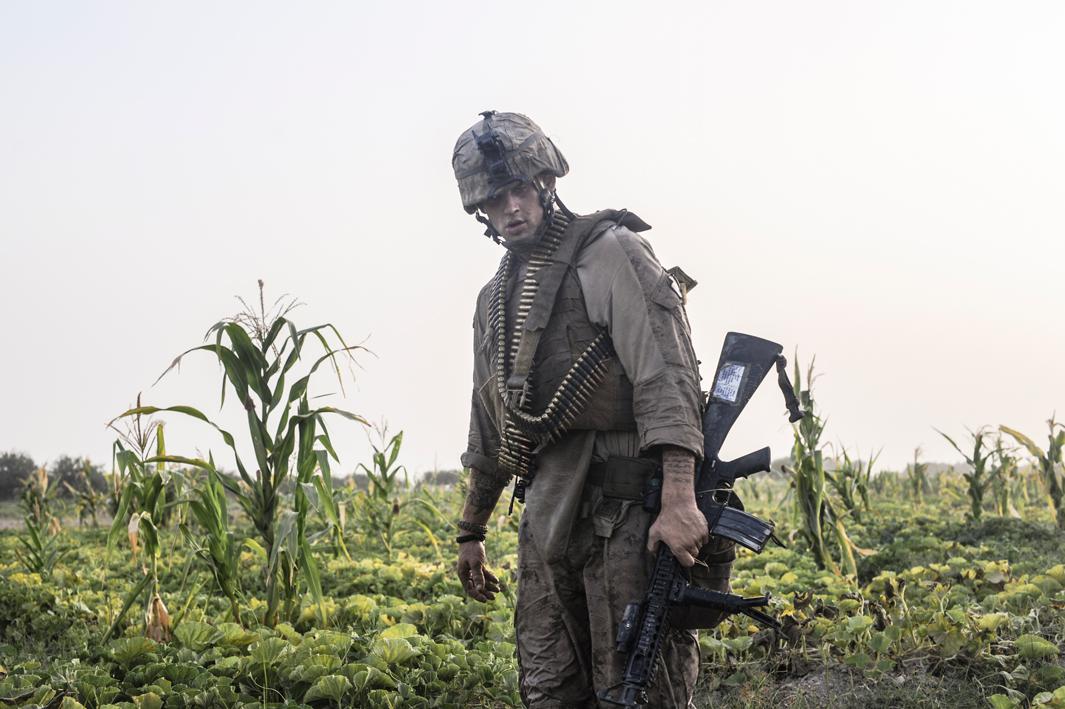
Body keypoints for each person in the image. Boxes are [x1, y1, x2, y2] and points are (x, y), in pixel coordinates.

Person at [452, 111, 732, 708]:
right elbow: (490, 418)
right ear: (480, 211)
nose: (512, 209)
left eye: (520, 190)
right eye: (495, 200)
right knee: (551, 687)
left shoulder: (613, 253)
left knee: (636, 685)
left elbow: (666, 376)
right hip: (548, 517)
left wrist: (680, 499)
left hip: (628, 512)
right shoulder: (493, 299)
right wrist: (470, 530)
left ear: (546, 182)